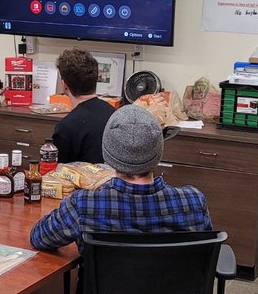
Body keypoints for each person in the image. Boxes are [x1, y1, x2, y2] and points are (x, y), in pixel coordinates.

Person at [31, 103, 212, 252]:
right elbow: (204, 253)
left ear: (108, 153)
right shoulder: (193, 201)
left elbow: (39, 238)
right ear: (157, 152)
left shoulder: (84, 205)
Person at [52, 47, 116, 164]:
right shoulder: (116, 115)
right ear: (95, 79)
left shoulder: (66, 127)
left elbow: (57, 175)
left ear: (64, 85)